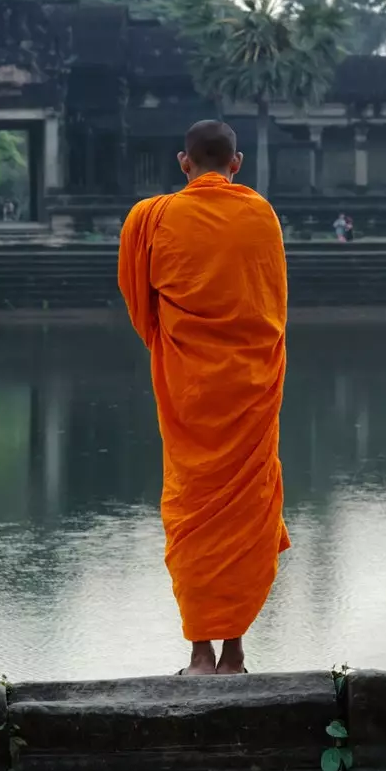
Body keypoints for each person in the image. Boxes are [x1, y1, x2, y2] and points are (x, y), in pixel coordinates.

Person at [117, 120, 290, 676]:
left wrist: (172, 344)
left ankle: (200, 654)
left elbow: (137, 301)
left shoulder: (151, 218)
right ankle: (235, 651)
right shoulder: (261, 213)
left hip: (189, 394)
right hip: (249, 391)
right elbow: (274, 308)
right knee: (243, 519)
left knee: (193, 513)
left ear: (182, 161)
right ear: (236, 163)